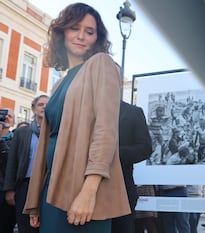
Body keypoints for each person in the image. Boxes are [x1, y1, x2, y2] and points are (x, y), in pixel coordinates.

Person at [23, 3, 130, 233]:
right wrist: (36, 200)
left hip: (81, 189)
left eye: (89, 31)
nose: (81, 36)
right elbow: (47, 142)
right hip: (52, 188)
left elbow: (105, 131)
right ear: (62, 32)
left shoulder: (101, 64)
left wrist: (88, 191)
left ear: (96, 38)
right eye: (74, 28)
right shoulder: (60, 82)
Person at [3, 95, 49, 233]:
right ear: (34, 109)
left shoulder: (55, 132)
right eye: (41, 104)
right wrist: (10, 190)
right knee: (25, 226)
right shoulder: (22, 132)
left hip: (46, 187)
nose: (44, 107)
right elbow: (12, 162)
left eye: (47, 104)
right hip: (24, 187)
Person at [111, 100, 153, 233]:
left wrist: (113, 152)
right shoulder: (88, 109)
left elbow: (145, 148)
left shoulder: (133, 112)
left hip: (121, 190)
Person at [0, 108, 16, 233]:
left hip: (5, 194)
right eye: (3, 116)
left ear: (13, 122)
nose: (6, 118)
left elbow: (11, 165)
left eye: (10, 116)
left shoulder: (16, 140)